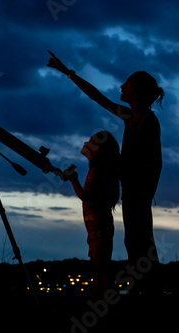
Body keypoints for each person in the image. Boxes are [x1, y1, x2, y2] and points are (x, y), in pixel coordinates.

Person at [47, 51, 164, 291]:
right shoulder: (130, 116)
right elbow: (97, 98)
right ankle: (145, 292)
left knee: (139, 244)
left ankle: (149, 294)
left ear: (139, 92)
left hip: (138, 194)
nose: (122, 86)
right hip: (132, 193)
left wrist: (142, 189)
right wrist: (68, 72)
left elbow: (153, 162)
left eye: (128, 84)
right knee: (135, 243)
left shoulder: (147, 122)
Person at [65, 131, 120, 300]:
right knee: (100, 266)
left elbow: (85, 195)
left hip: (97, 228)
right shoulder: (107, 172)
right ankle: (99, 300)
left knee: (100, 267)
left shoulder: (97, 170)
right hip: (99, 228)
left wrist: (73, 180)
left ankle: (101, 301)